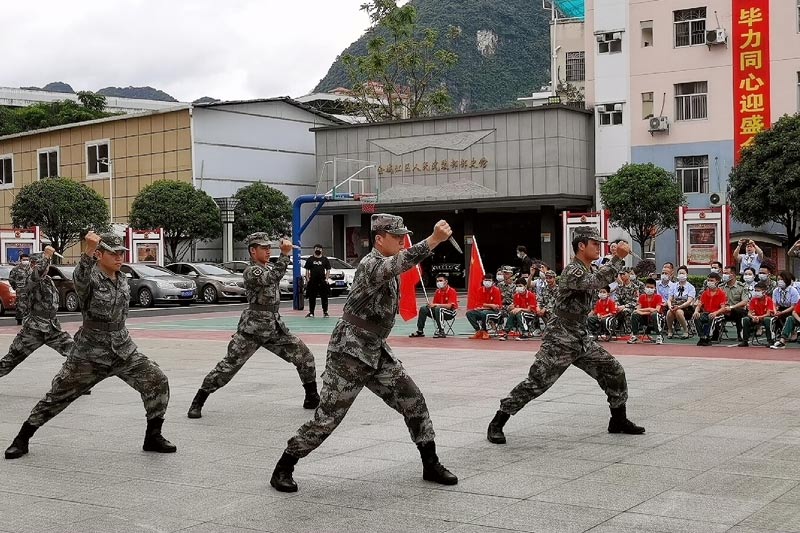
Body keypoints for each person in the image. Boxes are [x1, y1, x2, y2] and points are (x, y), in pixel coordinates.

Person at [269, 215, 458, 492]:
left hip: (376, 349)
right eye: (397, 236)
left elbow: (400, 262)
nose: (402, 240)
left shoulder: (388, 263)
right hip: (350, 352)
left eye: (403, 236)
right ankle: (284, 467)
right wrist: (433, 240)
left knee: (414, 401)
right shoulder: (371, 264)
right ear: (379, 239)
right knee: (328, 418)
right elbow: (401, 262)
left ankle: (431, 464)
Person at [4, 232, 175, 459]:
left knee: (157, 380)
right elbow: (80, 274)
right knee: (58, 396)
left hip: (122, 349)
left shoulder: (122, 278)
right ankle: (22, 438)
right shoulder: (89, 278)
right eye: (113, 253)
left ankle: (153, 436)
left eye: (121, 253)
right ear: (99, 255)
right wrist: (88, 249)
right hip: (89, 353)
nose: (119, 257)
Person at [486, 228, 644, 445]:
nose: (599, 247)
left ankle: (618, 419)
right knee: (537, 382)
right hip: (560, 338)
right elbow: (594, 282)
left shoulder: (587, 268)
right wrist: (617, 259)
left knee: (613, 370)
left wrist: (615, 260)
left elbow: (597, 278)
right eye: (594, 243)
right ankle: (498, 421)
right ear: (581, 246)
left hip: (579, 335)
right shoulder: (572, 270)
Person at [187, 233, 319, 419]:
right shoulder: (252, 271)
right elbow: (270, 278)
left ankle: (311, 397)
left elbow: (273, 276)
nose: (268, 251)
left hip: (274, 327)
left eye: (269, 248)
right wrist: (284, 255)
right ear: (252, 251)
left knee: (304, 356)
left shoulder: (267, 268)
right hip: (252, 329)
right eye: (263, 248)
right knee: (227, 367)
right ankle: (198, 401)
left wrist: (283, 257)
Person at [0, 249, 76, 378]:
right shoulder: (30, 278)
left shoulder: (48, 280)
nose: (47, 267)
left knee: (75, 353)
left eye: (48, 264)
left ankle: (69, 382)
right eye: (44, 264)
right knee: (10, 360)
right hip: (34, 329)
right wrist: (46, 255)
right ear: (34, 264)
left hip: (52, 328)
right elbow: (38, 273)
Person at [693, 272, 728, 346]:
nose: (709, 282)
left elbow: (723, 308)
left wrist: (715, 313)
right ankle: (702, 337)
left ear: (717, 282)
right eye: (708, 280)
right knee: (696, 317)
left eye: (712, 280)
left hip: (718, 314)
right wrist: (696, 311)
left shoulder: (721, 293)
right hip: (706, 313)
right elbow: (699, 305)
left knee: (712, 318)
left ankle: (708, 337)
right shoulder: (705, 293)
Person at [628, 278, 664, 344]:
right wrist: (649, 310)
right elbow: (637, 309)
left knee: (654, 314)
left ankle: (659, 336)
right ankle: (635, 335)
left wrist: (642, 312)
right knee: (634, 314)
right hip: (645, 319)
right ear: (645, 287)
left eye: (651, 287)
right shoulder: (641, 297)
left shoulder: (658, 297)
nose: (649, 289)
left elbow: (656, 310)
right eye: (647, 287)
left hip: (655, 319)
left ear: (655, 288)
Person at [466, 273, 502, 339]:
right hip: (482, 310)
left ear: (493, 282)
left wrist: (485, 306)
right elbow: (478, 304)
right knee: (469, 313)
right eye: (485, 280)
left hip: (495, 312)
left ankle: (485, 331)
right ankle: (478, 331)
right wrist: (490, 305)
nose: (487, 282)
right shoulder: (480, 290)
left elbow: (497, 306)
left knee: (484, 313)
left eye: (489, 280)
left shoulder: (496, 290)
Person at [740, 281, 775, 347]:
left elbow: (768, 314)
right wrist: (753, 317)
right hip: (755, 318)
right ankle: (745, 341)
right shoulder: (753, 300)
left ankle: (770, 341)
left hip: (764, 318)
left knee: (768, 320)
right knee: (745, 319)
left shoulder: (768, 299)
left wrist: (759, 317)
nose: (756, 292)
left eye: (758, 291)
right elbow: (749, 313)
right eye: (755, 290)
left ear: (764, 291)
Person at [721, 265, 750, 341]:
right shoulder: (721, 287)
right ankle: (713, 335)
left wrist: (731, 307)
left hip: (737, 311)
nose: (724, 275)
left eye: (726, 273)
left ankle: (740, 335)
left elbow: (744, 301)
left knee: (738, 312)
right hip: (723, 310)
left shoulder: (742, 286)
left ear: (733, 275)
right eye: (723, 273)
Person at [666, 266, 696, 339]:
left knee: (678, 312)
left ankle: (686, 331)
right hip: (674, 306)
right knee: (669, 312)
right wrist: (670, 306)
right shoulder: (673, 286)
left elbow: (689, 301)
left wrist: (679, 307)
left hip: (687, 308)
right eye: (680, 273)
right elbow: (669, 299)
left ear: (686, 275)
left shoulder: (691, 287)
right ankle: (670, 330)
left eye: (683, 273)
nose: (681, 275)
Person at [304, 244, 331, 318]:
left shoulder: (325, 259)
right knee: (312, 297)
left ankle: (325, 312)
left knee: (324, 297)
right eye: (316, 248)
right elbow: (307, 270)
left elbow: (328, 270)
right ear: (314, 249)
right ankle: (311, 312)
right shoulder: (310, 259)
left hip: (322, 281)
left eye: (319, 249)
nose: (318, 250)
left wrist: (326, 279)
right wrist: (308, 279)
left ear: (322, 250)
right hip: (313, 281)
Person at [9, 252, 32, 325]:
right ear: (21, 260)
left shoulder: (31, 268)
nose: (26, 261)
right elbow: (11, 279)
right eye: (24, 259)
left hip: (29, 290)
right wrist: (15, 287)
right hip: (20, 290)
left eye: (27, 260)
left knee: (29, 304)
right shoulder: (16, 269)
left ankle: (28, 320)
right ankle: (19, 320)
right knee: (20, 305)